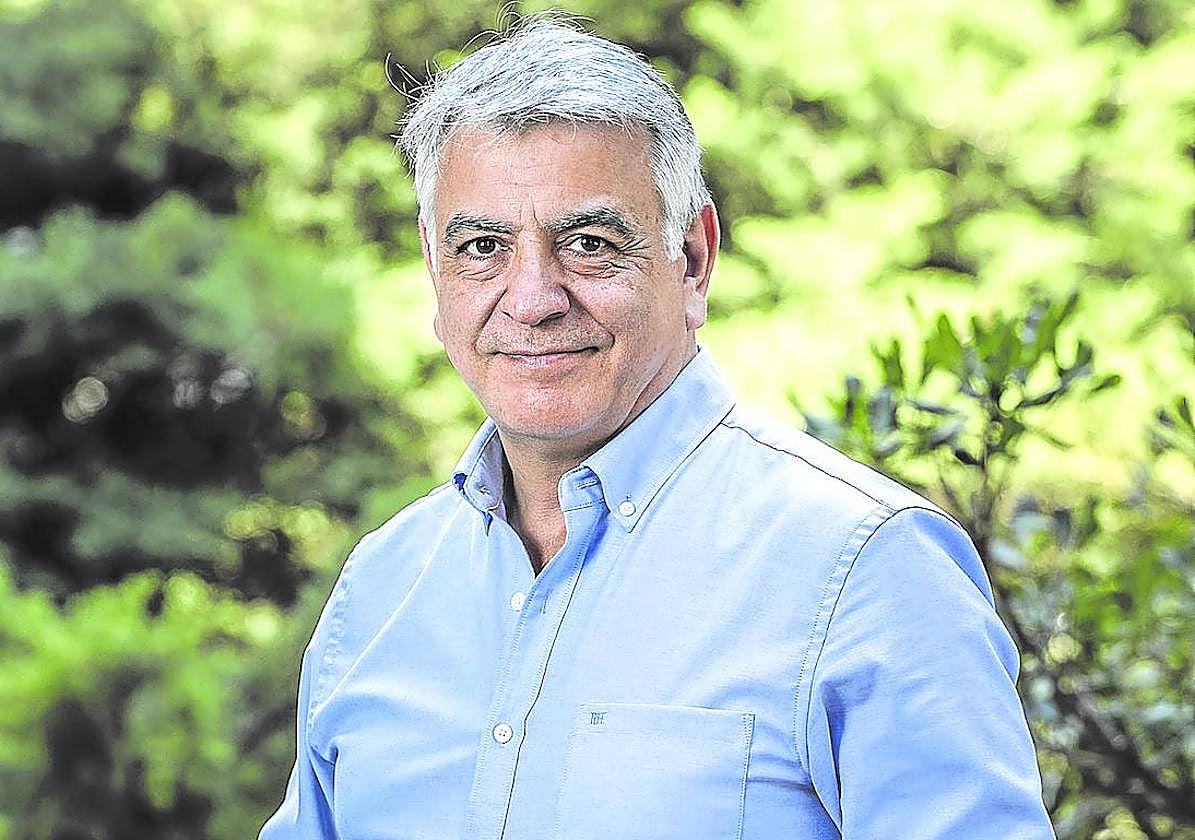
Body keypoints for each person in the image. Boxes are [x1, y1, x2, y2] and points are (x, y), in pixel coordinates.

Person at [260, 17, 1055, 840]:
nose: (531, 299)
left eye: (589, 243)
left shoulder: (867, 569)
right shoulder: (382, 588)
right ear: (434, 265)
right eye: (483, 246)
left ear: (693, 260)